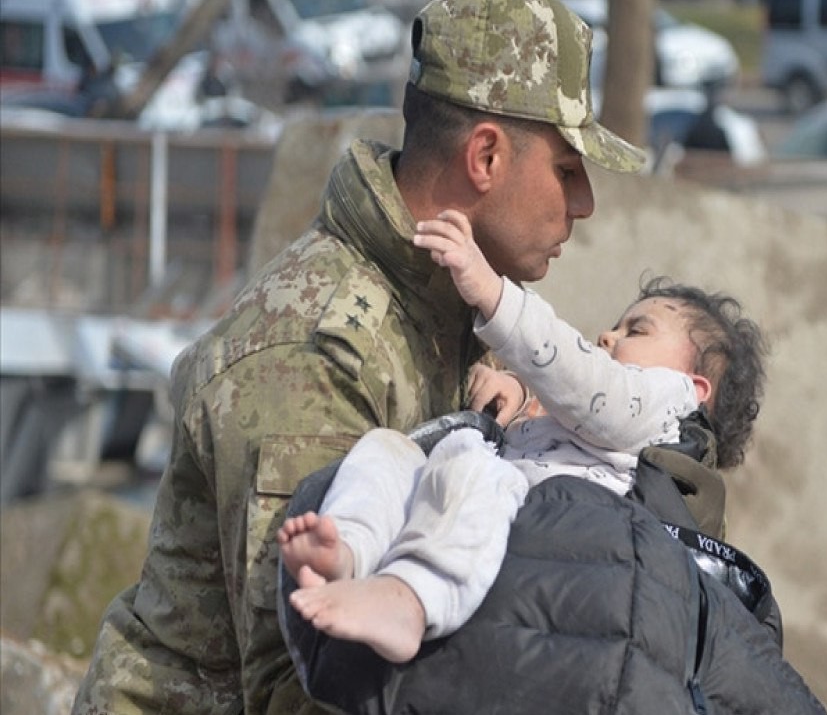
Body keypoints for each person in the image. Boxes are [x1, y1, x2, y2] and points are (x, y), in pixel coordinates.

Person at [72, 0, 645, 712]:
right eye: (567, 169)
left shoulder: (449, 304)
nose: (585, 201)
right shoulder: (314, 356)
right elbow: (305, 680)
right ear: (487, 157)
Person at [277, 208, 766, 665]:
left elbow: (592, 389)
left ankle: (411, 601)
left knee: (477, 472)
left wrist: (493, 293)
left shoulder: (667, 403)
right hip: (488, 516)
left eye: (637, 329)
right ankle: (348, 549)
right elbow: (576, 413)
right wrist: (517, 394)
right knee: (389, 449)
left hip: (546, 544)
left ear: (696, 388)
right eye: (616, 325)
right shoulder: (611, 419)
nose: (607, 336)